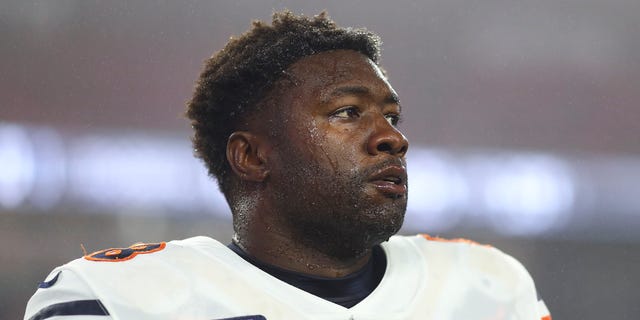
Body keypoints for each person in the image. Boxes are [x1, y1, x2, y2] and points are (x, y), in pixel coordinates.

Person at [24, 11, 551, 320]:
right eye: (348, 113)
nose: (393, 138)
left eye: (391, 116)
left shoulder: (487, 286)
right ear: (252, 156)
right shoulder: (122, 299)